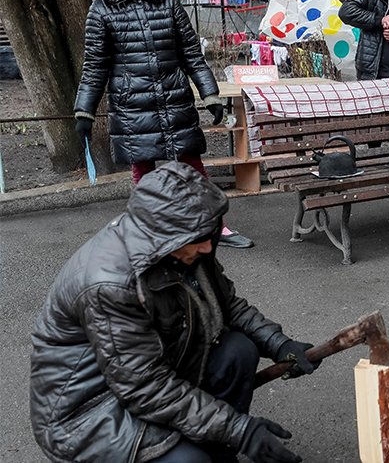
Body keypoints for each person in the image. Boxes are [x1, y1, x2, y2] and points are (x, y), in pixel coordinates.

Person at [31, 161, 317, 463]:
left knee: (237, 350)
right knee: (188, 461)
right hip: (90, 413)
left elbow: (227, 304)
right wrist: (238, 429)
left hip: (143, 375)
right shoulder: (111, 284)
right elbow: (145, 387)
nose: (208, 247)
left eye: (209, 233)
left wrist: (279, 344)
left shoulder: (185, 239)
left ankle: (217, 450)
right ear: (164, 238)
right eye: (199, 239)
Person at [73, 0, 252, 248]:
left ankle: (214, 227)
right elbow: (95, 67)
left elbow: (192, 54)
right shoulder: (101, 11)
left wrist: (210, 94)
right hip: (132, 106)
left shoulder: (168, 4)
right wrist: (85, 111)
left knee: (193, 167)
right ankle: (150, 233)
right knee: (144, 173)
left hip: (174, 99)